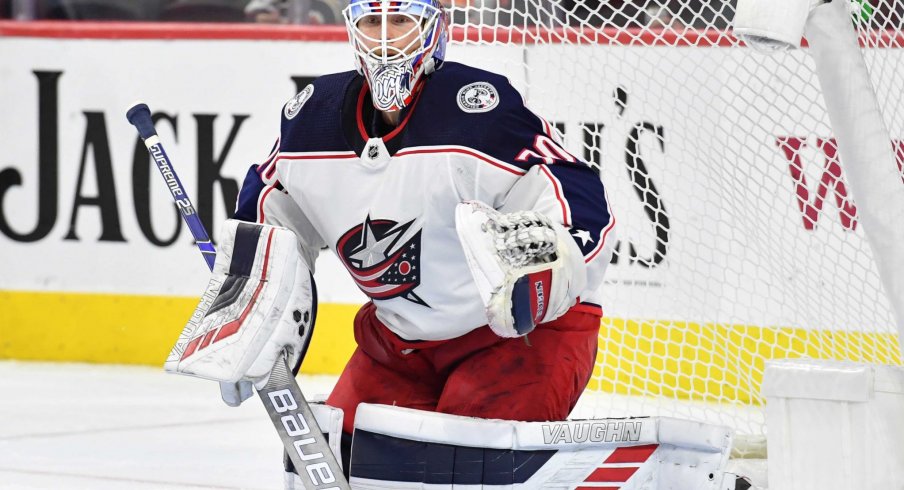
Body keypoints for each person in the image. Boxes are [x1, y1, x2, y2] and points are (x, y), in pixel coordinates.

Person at [229, 0, 616, 482]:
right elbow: (268, 213)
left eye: (402, 21)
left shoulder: (477, 109)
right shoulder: (313, 120)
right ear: (353, 30)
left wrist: (546, 270)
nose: (386, 39)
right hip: (399, 341)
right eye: (373, 21)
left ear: (433, 30)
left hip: (522, 340)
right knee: (340, 468)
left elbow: (573, 192)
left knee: (464, 470)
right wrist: (245, 299)